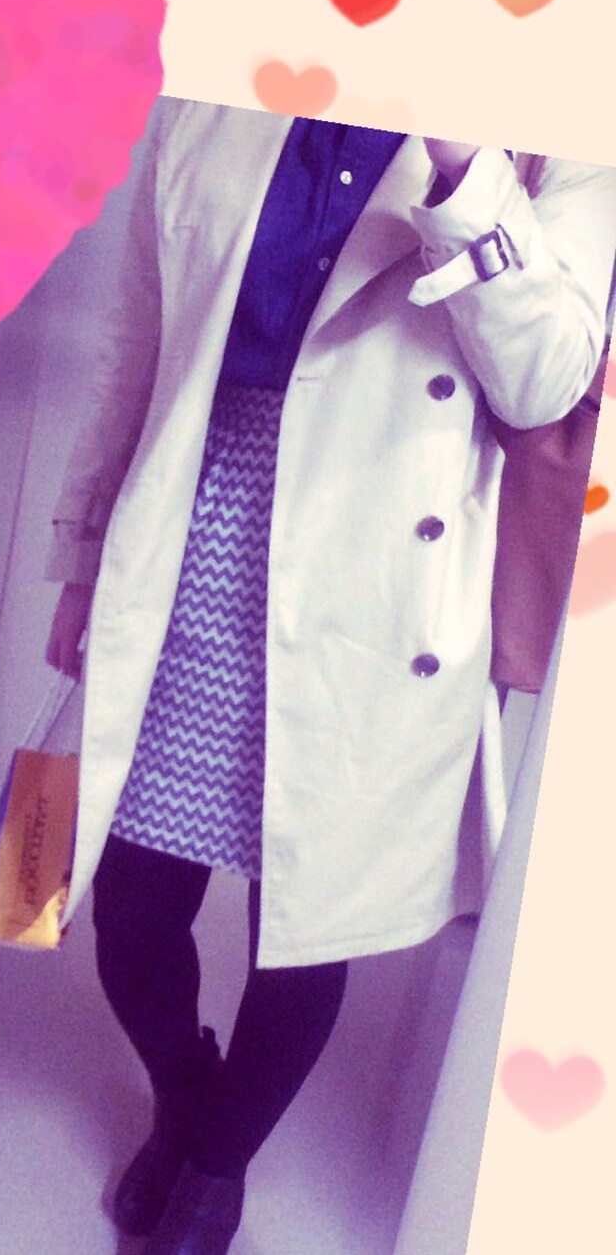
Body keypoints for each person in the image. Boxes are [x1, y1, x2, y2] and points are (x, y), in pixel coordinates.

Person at [42, 96, 616, 1255]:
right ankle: (185, 1094)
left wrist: (464, 163)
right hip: (191, 526)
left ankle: (216, 1157)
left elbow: (548, 383)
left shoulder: (557, 128)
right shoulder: (224, 89)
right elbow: (137, 341)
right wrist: (81, 552)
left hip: (375, 566)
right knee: (131, 901)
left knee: (305, 918)